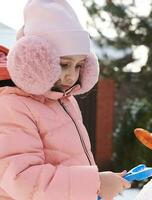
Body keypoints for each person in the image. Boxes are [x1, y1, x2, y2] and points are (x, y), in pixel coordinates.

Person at [0, 1, 130, 200]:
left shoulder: (64, 99)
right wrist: (94, 183)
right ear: (35, 58)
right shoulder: (13, 106)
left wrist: (99, 184)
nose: (71, 76)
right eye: (63, 64)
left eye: (78, 65)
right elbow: (22, 179)